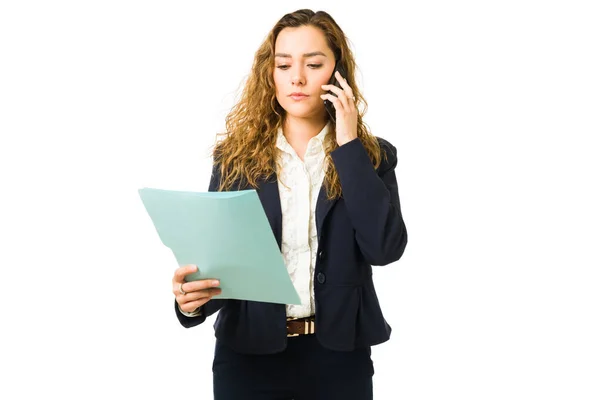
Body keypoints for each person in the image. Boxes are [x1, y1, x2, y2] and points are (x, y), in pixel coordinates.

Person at [171, 8, 407, 400]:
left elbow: (383, 249)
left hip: (339, 358)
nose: (297, 77)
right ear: (271, 74)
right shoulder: (237, 160)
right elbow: (218, 265)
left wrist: (349, 147)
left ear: (338, 74)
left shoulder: (372, 157)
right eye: (284, 65)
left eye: (313, 64)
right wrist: (190, 302)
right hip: (248, 358)